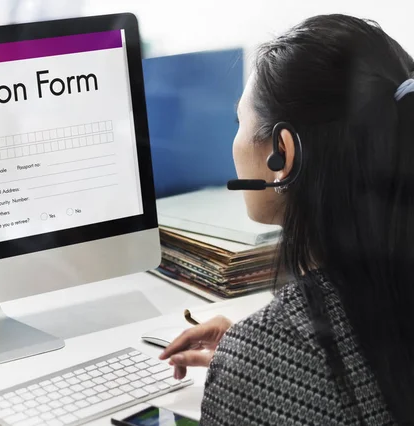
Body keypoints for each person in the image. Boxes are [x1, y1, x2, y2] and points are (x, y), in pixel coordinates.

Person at [160, 14, 414, 425]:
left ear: (282, 153)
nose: (235, 141)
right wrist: (268, 348)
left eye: (239, 122)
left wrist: (261, 358)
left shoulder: (262, 360)